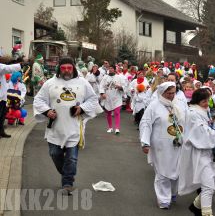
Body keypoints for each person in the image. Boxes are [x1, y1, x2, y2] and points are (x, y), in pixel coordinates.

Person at [33, 57, 98, 195]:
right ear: (59, 69)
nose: (67, 71)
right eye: (64, 68)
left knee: (72, 158)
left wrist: (82, 108)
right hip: (55, 128)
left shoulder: (82, 83)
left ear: (74, 68)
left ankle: (67, 183)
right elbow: (38, 100)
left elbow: (93, 99)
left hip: (73, 128)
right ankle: (67, 173)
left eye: (69, 68)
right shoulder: (50, 83)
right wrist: (47, 111)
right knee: (54, 153)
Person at [140, 82, 186, 209]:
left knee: (177, 170)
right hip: (160, 145)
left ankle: (172, 193)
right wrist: (145, 142)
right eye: (169, 93)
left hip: (177, 144)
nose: (171, 96)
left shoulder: (180, 104)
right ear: (162, 92)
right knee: (162, 172)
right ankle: (163, 199)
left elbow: (187, 120)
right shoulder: (154, 106)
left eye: (173, 93)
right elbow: (146, 123)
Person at [179, 88, 215, 216]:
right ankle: (206, 213)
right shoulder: (193, 113)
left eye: (208, 100)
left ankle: (195, 206)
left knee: (213, 185)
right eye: (204, 101)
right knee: (208, 186)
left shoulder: (204, 111)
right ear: (197, 100)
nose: (207, 103)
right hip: (198, 153)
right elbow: (202, 132)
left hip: (209, 152)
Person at [99, 65, 126, 134]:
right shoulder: (105, 77)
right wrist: (102, 93)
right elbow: (101, 86)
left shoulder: (119, 77)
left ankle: (117, 128)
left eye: (112, 68)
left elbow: (124, 86)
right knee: (108, 113)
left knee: (117, 112)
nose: (110, 69)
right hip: (108, 97)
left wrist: (120, 87)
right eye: (109, 68)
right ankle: (110, 127)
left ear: (114, 69)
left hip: (117, 97)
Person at [0, 60, 24, 138]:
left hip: (3, 97)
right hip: (0, 97)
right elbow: (7, 68)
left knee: (2, 115)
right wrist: (20, 65)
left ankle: (1, 131)